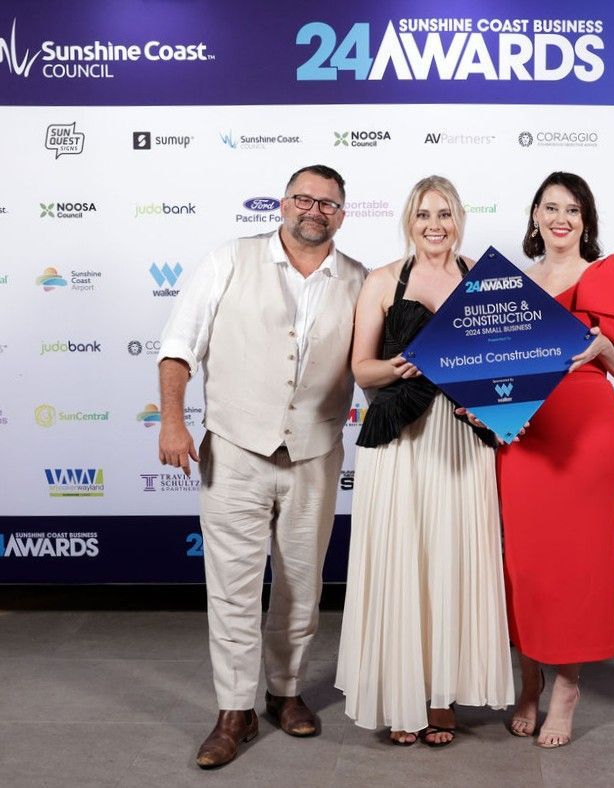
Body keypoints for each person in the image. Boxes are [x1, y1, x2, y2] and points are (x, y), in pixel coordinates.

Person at [157, 164, 367, 768]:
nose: (314, 210)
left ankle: (285, 694)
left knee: (302, 586)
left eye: (327, 204)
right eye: (304, 198)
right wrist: (173, 421)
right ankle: (233, 711)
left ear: (342, 215)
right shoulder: (229, 259)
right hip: (236, 450)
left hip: (315, 454)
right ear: (282, 204)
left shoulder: (357, 279)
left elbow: (375, 369)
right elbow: (178, 346)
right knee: (233, 589)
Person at [335, 175, 514, 746]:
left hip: (461, 439)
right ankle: (401, 699)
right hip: (400, 440)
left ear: (459, 218)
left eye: (444, 214)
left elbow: (506, 373)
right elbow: (361, 368)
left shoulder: (487, 282)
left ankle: (443, 698)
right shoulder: (383, 280)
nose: (434, 225)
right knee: (403, 558)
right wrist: (399, 366)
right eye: (423, 215)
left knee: (455, 558)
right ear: (409, 221)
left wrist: (501, 408)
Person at [496, 172, 614, 748]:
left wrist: (605, 347)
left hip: (585, 436)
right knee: (526, 566)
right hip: (524, 438)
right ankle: (527, 681)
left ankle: (566, 689)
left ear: (586, 220)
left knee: (577, 566)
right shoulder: (510, 285)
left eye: (573, 209)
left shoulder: (607, 275)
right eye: (551, 206)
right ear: (534, 215)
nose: (561, 217)